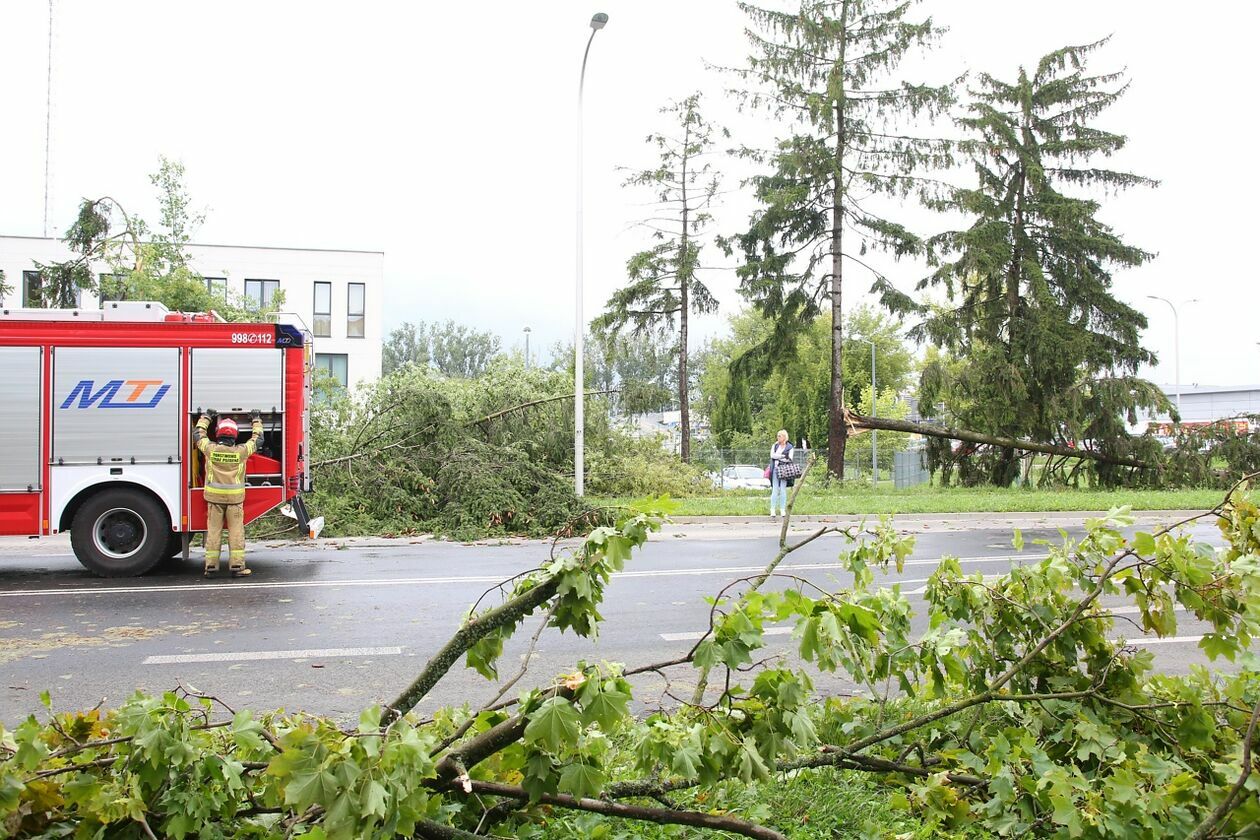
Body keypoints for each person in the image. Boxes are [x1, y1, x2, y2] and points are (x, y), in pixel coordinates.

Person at [194, 409, 264, 577]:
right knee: (236, 533)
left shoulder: (210, 449)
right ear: (235, 436)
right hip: (235, 500)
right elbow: (259, 440)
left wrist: (206, 417)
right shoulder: (241, 452)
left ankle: (210, 568)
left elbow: (198, 435)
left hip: (214, 500)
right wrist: (256, 419)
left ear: (218, 435)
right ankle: (237, 567)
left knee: (214, 532)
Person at [768, 429, 794, 518]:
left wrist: (778, 457)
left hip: (784, 470)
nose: (778, 437)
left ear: (784, 437)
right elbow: (772, 455)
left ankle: (782, 509)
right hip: (775, 469)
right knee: (775, 488)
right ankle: (772, 509)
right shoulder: (775, 445)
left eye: (779, 436)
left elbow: (789, 458)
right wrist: (783, 456)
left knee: (783, 489)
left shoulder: (790, 447)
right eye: (777, 436)